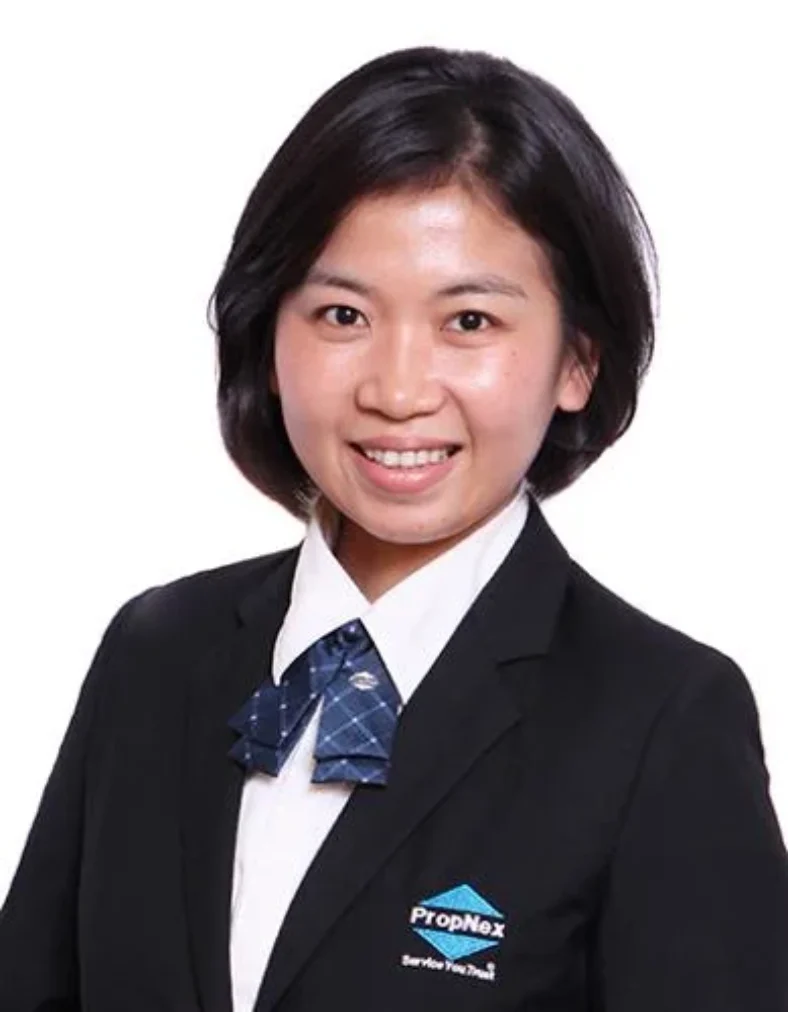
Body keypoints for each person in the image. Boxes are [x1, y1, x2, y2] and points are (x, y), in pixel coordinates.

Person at [1, 43, 786, 1012]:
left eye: (469, 322)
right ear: (268, 335)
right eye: (342, 314)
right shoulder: (155, 651)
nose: (397, 390)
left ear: (577, 361)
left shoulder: (661, 718)